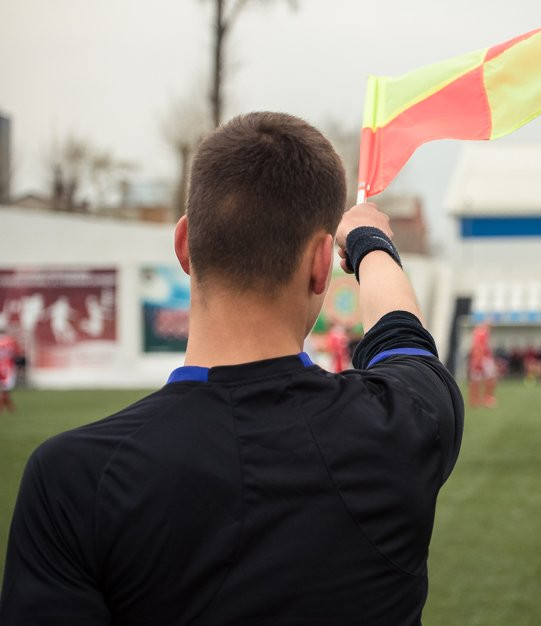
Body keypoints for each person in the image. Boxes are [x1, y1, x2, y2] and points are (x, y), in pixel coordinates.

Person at [0, 112, 464, 624]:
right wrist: (369, 242)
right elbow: (402, 336)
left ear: (184, 244)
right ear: (320, 265)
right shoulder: (402, 426)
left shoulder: (69, 479)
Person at [468, 322, 498, 407]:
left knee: (477, 378)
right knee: (488, 378)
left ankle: (475, 399)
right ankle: (486, 398)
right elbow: (479, 347)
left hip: (480, 358)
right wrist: (479, 359)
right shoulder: (482, 333)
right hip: (483, 358)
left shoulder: (480, 333)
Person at [0, 326, 19, 413]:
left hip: (1, 367)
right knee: (6, 390)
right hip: (8, 368)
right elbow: (16, 353)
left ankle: (10, 408)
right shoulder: (11, 341)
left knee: (5, 390)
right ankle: (10, 408)